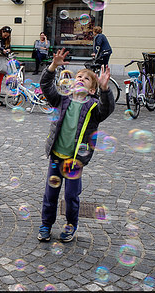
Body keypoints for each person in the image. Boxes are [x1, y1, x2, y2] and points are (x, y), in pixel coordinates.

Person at [37, 48, 115, 243]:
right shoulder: (61, 100)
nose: (80, 78)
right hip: (56, 156)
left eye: (86, 79)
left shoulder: (93, 107)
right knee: (50, 194)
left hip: (75, 160)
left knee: (71, 197)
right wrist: (53, 66)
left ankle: (71, 225)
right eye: (78, 76)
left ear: (91, 90)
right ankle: (46, 224)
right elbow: (45, 85)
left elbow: (107, 109)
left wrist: (105, 89)